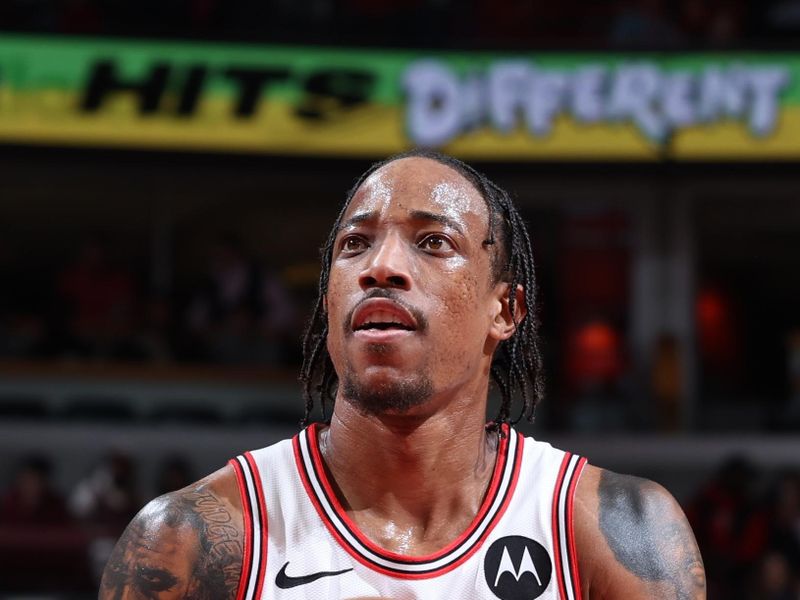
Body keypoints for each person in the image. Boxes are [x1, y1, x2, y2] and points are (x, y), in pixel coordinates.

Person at [99, 151, 706, 599]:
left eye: (433, 241)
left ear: (505, 310)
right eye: (355, 243)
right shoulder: (189, 542)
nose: (381, 266)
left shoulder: (616, 533)